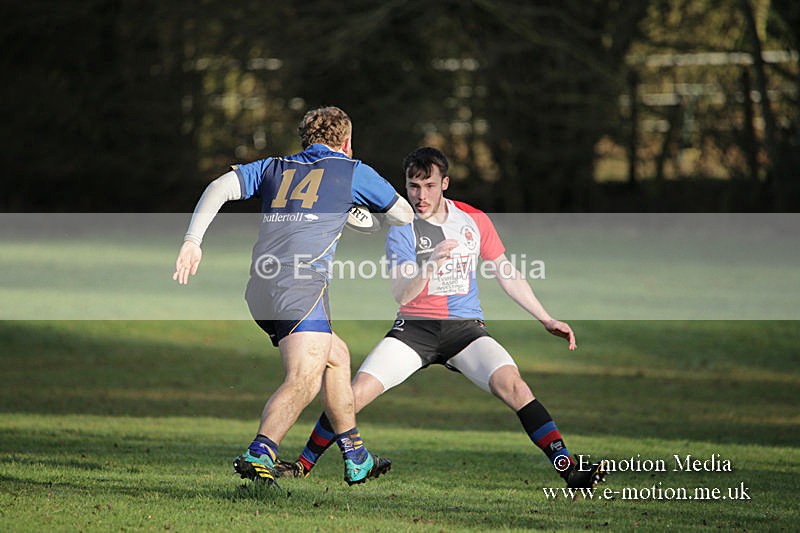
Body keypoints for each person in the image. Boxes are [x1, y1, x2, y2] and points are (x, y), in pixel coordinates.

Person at [273, 147, 607, 490]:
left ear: (444, 183)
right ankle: (302, 465)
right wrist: (430, 263)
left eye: (429, 185)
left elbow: (505, 271)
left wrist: (546, 318)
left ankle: (570, 470)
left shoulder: (472, 220)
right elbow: (403, 293)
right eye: (413, 186)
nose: (420, 195)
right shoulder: (402, 227)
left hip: (465, 331)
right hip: (413, 332)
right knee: (352, 395)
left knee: (515, 387)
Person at [172, 106, 414, 487]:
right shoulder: (352, 171)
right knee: (304, 377)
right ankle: (260, 452)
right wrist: (362, 213)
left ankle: (357, 456)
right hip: (300, 284)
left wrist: (192, 241)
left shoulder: (274, 166)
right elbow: (403, 214)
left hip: (261, 287)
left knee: (337, 357)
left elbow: (218, 186)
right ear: (347, 142)